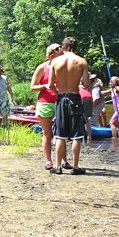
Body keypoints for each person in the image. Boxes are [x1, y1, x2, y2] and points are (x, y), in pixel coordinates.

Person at [47, 37, 90, 175]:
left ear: (63, 47)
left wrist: (58, 92)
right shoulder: (81, 61)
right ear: (75, 48)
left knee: (60, 135)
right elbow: (86, 84)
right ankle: (75, 167)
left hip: (61, 98)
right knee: (77, 135)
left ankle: (58, 167)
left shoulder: (55, 61)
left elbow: (49, 85)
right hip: (74, 97)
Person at [30, 43, 63, 170]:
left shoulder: (63, 66)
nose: (61, 49)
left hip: (60, 101)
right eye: (58, 48)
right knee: (47, 133)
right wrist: (44, 86)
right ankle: (49, 161)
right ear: (52, 52)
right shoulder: (42, 67)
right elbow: (32, 86)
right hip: (45, 103)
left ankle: (63, 161)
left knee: (62, 133)